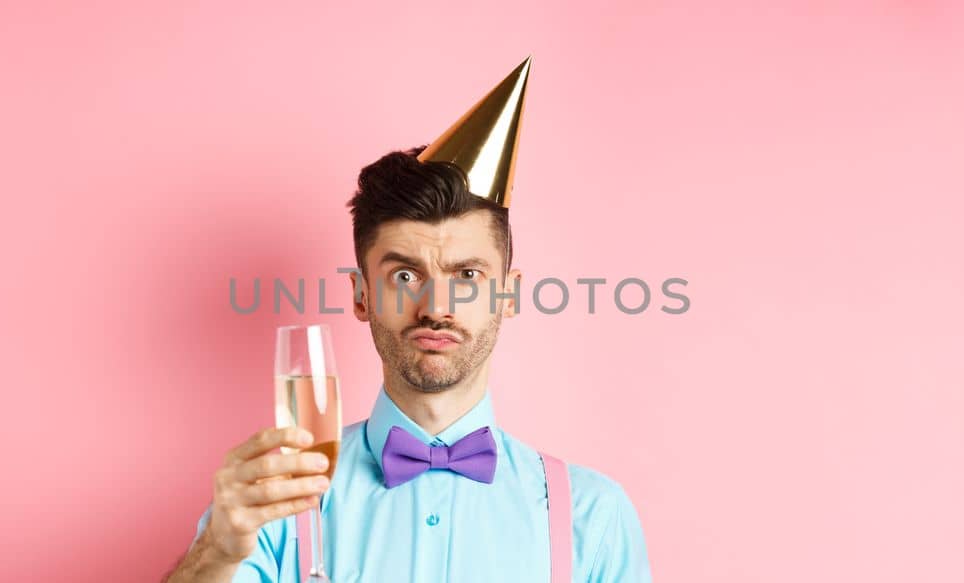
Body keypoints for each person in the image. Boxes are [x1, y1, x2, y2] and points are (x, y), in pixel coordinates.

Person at [163, 57, 651, 583]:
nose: (435, 307)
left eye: (466, 275)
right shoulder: (278, 501)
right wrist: (216, 552)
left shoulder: (592, 516)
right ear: (362, 295)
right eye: (403, 276)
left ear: (507, 295)